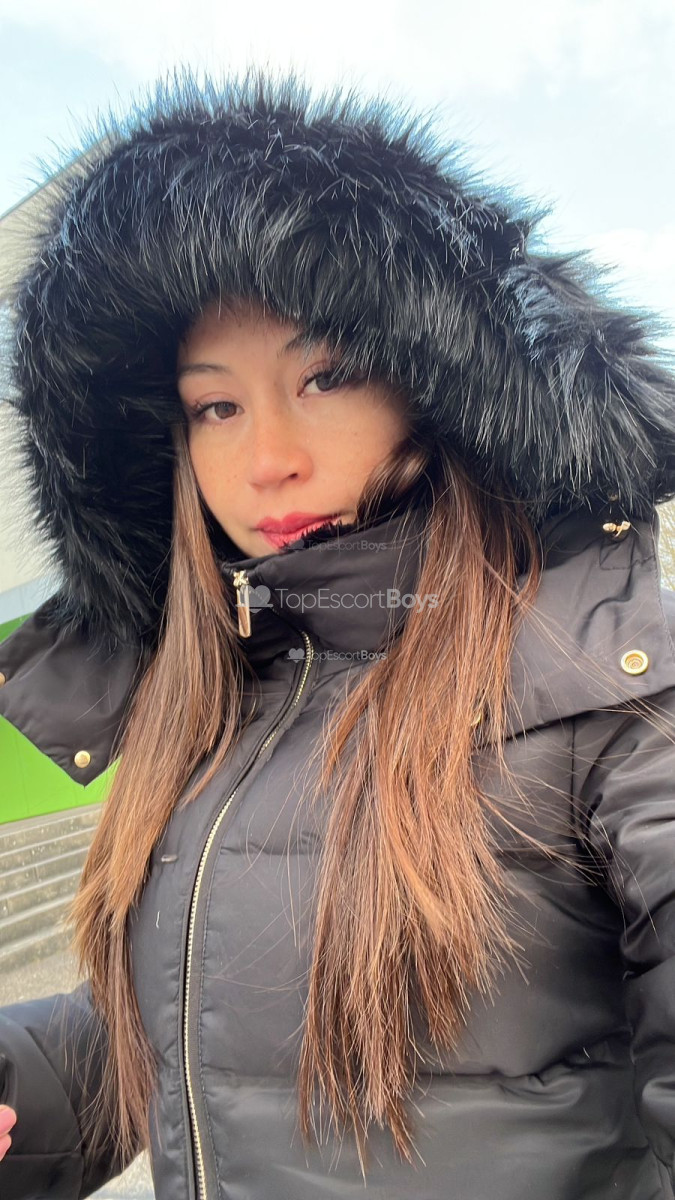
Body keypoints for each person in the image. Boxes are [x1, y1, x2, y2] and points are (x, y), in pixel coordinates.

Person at [1, 66, 675, 1200]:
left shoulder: (609, 681)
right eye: (216, 405)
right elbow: (188, 1034)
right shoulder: (219, 697)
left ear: (435, 381)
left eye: (327, 376)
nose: (266, 459)